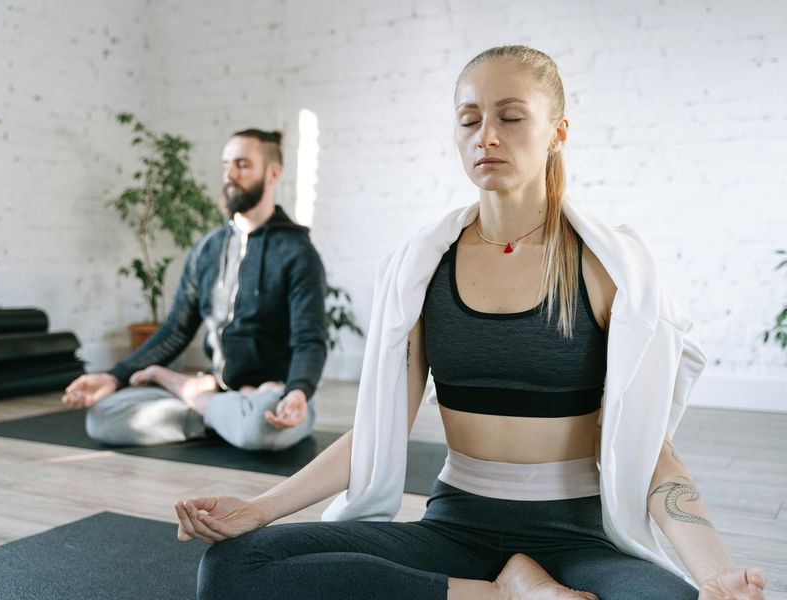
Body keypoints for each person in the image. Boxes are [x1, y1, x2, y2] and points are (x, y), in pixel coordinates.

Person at [173, 47, 768, 599]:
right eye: (469, 119)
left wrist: (713, 571)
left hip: (580, 539)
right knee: (232, 566)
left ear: (558, 132)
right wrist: (259, 509)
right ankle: (500, 593)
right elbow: (376, 431)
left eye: (510, 117)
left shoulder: (609, 270)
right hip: (456, 527)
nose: (486, 135)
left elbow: (651, 452)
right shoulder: (422, 266)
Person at [62, 129, 328, 452]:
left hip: (275, 395)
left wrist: (298, 392)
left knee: (263, 426)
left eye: (242, 165)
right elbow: (176, 330)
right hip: (220, 391)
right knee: (103, 416)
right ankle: (221, 414)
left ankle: (194, 397)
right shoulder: (207, 249)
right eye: (226, 164)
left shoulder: (298, 252)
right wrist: (114, 377)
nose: (230, 175)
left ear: (273, 173)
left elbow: (310, 341)